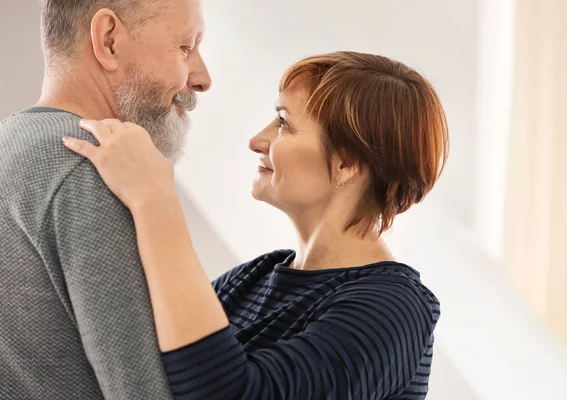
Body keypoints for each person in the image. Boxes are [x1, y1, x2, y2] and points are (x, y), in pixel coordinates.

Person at [64, 51, 449, 399]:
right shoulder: (254, 278)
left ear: (347, 163)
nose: (257, 140)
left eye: (283, 123)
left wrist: (155, 200)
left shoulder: (394, 310)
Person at [0, 0, 209, 398]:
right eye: (185, 47)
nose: (202, 78)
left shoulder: (10, 144)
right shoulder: (90, 170)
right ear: (108, 40)